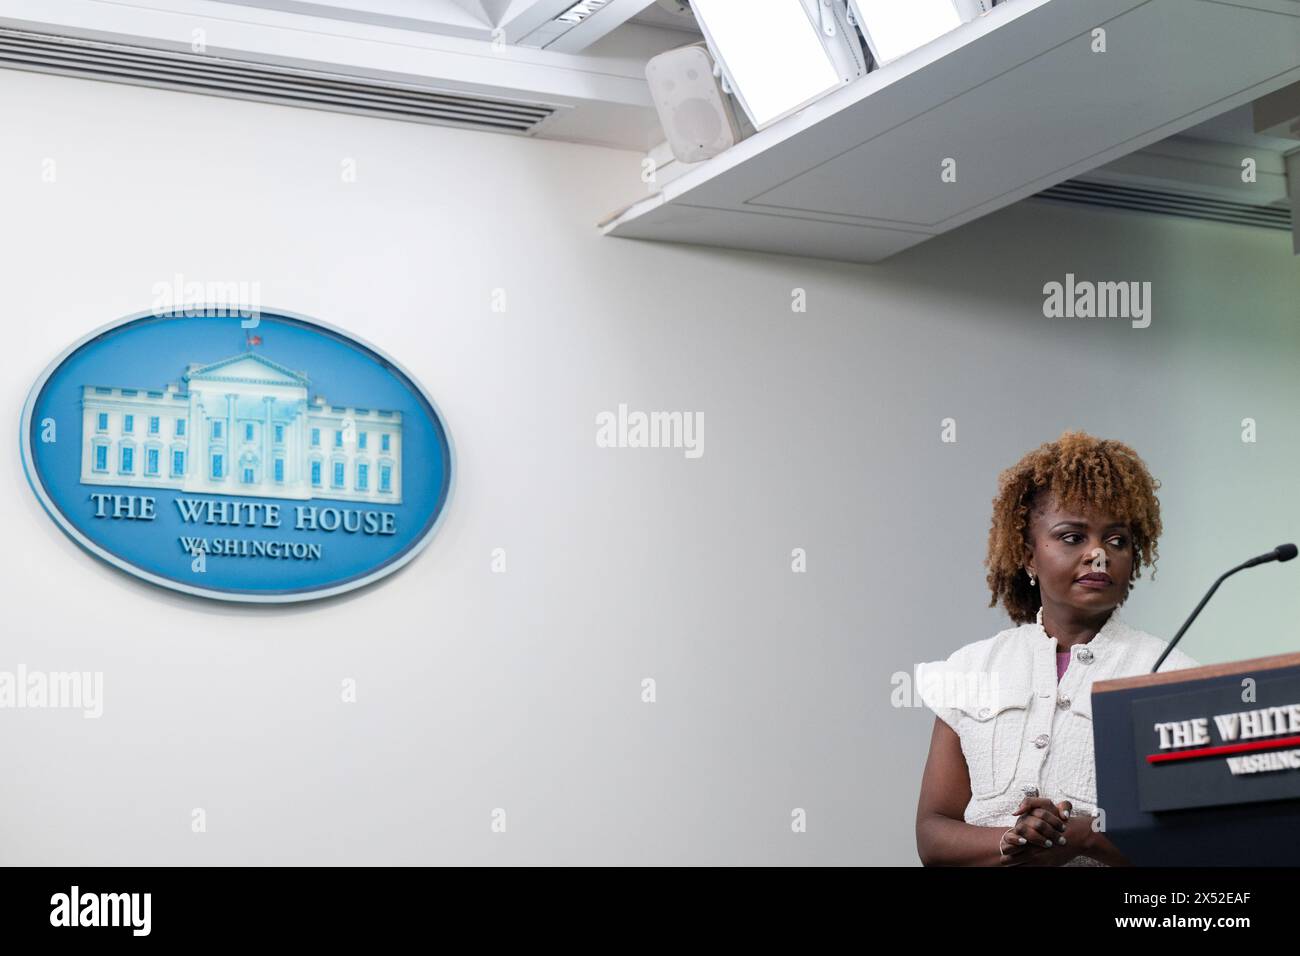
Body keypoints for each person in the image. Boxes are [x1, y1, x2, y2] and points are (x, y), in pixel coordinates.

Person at [914, 431, 1200, 866]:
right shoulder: (970, 668)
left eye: (1117, 541)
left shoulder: (1173, 676)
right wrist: (1013, 840)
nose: (1098, 556)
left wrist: (1084, 836)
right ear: (1029, 555)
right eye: (1072, 537)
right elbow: (933, 833)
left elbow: (1195, 843)